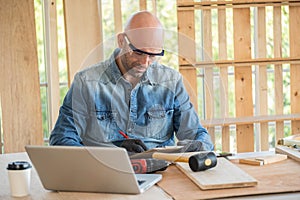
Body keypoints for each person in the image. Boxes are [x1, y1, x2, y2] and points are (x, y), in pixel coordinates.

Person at [50, 11, 214, 154]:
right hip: (105, 175)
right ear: (121, 41)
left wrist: (199, 146)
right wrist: (113, 151)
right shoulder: (87, 83)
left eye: (153, 55)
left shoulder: (171, 82)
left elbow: (196, 134)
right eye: (138, 53)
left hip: (162, 175)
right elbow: (62, 139)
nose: (145, 62)